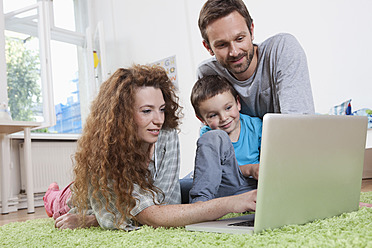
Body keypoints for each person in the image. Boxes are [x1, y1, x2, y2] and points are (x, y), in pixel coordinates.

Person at [44, 65, 257, 231]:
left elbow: (167, 202)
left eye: (162, 109)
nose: (158, 120)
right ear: (123, 115)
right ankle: (51, 195)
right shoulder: (108, 153)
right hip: (89, 195)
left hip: (137, 200)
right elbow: (153, 215)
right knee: (66, 203)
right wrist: (232, 203)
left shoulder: (166, 134)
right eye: (147, 111)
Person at [197, 0, 315, 119]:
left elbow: (299, 124)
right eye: (222, 45)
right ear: (208, 47)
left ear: (251, 31)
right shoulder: (208, 73)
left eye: (239, 38)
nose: (234, 52)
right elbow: (212, 133)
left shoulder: (282, 49)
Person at [189, 75, 261, 203]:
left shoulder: (256, 126)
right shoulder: (209, 135)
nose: (223, 118)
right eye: (213, 115)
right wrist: (250, 169)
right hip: (221, 187)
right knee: (182, 186)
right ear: (202, 120)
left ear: (238, 103)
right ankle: (199, 204)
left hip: (251, 186)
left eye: (228, 108)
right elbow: (217, 173)